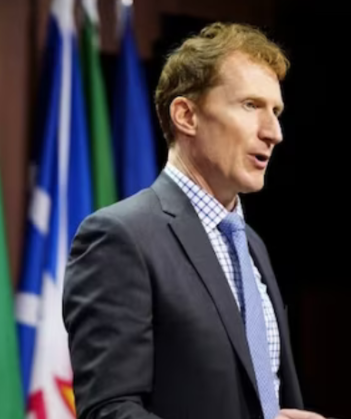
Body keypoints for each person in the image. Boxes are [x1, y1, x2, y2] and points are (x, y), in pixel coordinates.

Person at [63, 23, 326, 419]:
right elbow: (110, 410)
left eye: (276, 112)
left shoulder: (252, 244)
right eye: (251, 105)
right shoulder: (120, 238)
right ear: (186, 116)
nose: (274, 133)